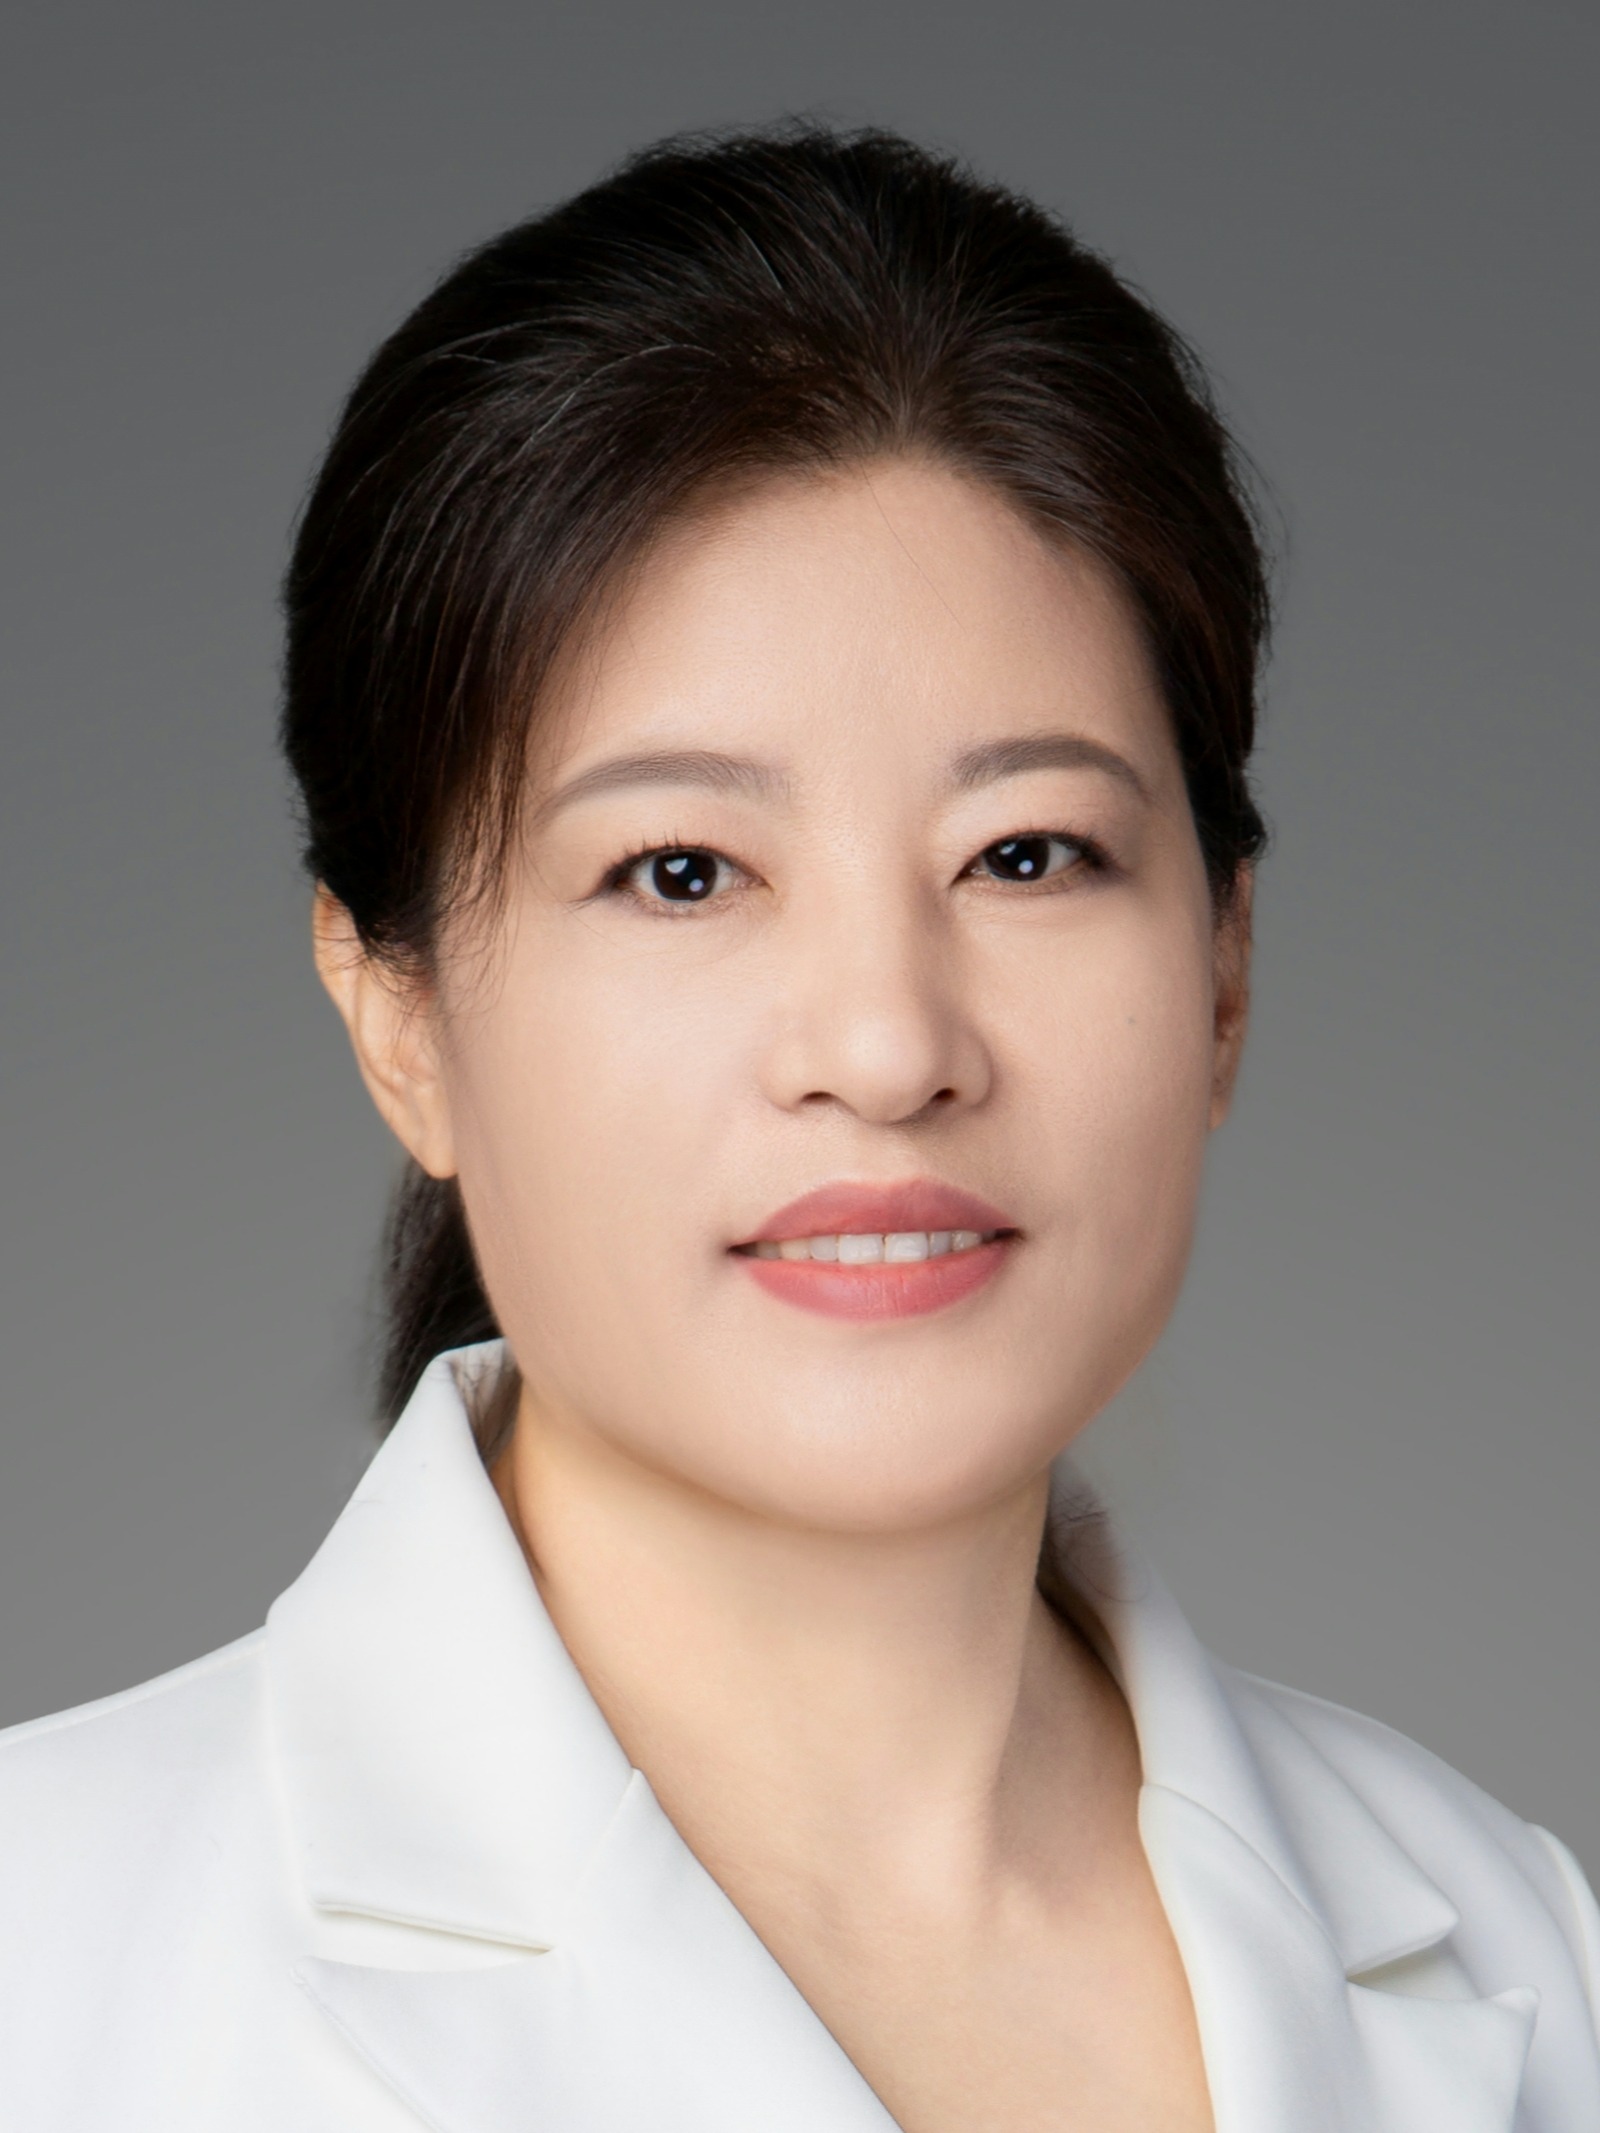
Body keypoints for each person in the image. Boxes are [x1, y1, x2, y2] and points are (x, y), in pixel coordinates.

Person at [0, 125, 1595, 2133]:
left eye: (1026, 851)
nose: (886, 1043)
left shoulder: (1527, 1952)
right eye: (680, 871)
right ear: (397, 1010)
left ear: (1222, 966)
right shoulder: (47, 1959)